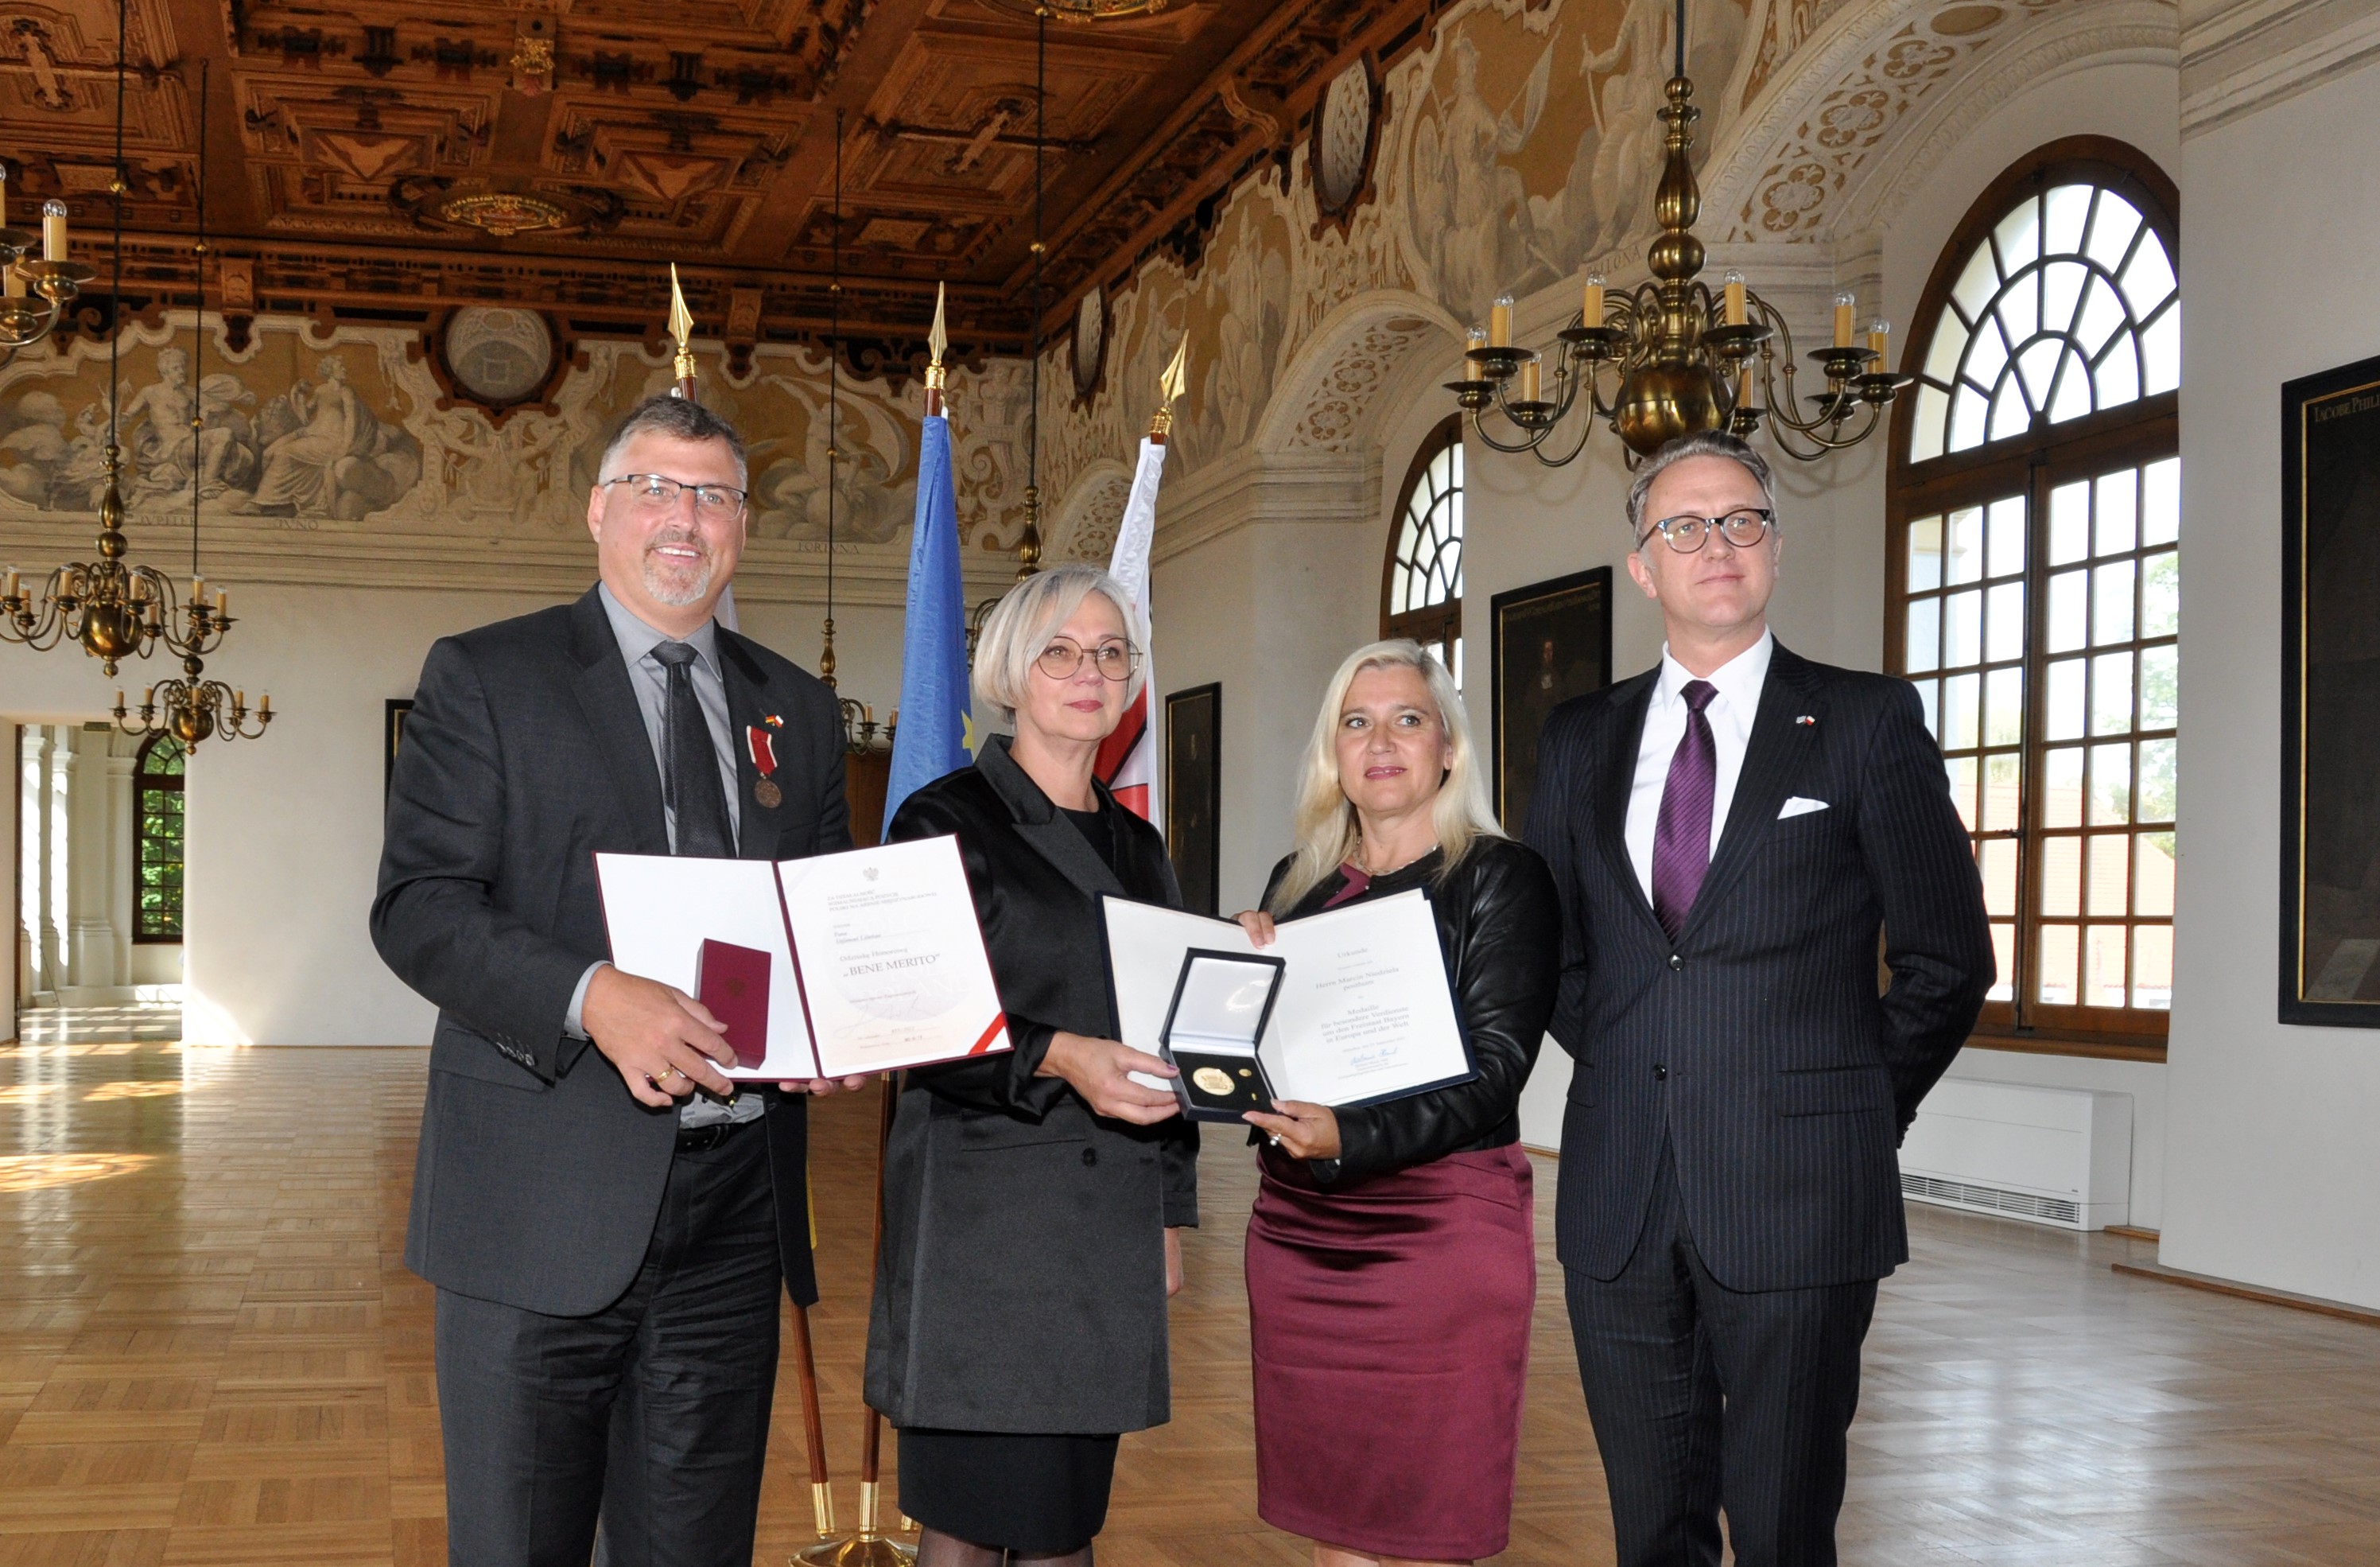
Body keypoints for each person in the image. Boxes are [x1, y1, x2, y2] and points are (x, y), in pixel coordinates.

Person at [372, 392, 858, 1567]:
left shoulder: (796, 706)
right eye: (654, 488)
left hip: (736, 1206)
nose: (682, 518)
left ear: (741, 524)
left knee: (693, 1546)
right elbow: (419, 909)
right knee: (521, 1540)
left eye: (712, 494)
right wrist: (593, 992)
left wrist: (843, 1012)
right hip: (540, 1203)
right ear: (598, 509)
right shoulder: (489, 674)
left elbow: (818, 920)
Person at [1524, 430, 1994, 1567]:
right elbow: (1558, 951)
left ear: (1774, 548)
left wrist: (1854, 1106)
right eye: (1681, 526)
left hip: (1802, 1192)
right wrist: (1651, 1059)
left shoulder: (1866, 720)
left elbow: (1946, 956)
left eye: (1741, 520)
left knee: (1784, 1524)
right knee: (1652, 1528)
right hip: (1619, 1190)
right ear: (1645, 565)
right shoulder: (1579, 737)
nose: (1714, 544)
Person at [865, 563, 1198, 1567]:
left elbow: (1168, 1029)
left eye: (1109, 652)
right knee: (964, 1524)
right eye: (1060, 649)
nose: (1088, 671)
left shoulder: (1139, 843)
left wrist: (1170, 1213)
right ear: (1011, 671)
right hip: (981, 1223)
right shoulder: (942, 818)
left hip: (1103, 1225)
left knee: (1064, 1523)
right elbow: (909, 1022)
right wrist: (1057, 1055)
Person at [1232, 640, 1560, 1567]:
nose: (1381, 740)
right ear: (1331, 753)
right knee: (1340, 1528)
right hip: (1298, 1230)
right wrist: (1226, 975)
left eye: (1407, 718)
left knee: (1422, 1527)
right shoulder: (1290, 889)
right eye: (1356, 721)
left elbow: (1495, 1072)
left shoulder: (1501, 877)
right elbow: (1259, 1058)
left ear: (1447, 747)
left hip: (1438, 1233)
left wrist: (1351, 1132)